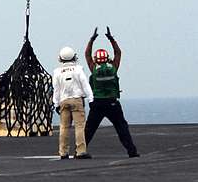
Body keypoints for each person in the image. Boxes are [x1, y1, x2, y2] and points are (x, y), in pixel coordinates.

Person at [84, 26, 139, 158]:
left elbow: (87, 54)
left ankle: (79, 150)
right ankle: (132, 151)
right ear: (107, 58)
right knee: (122, 128)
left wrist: (92, 39)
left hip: (97, 103)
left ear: (96, 59)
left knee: (89, 130)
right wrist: (111, 38)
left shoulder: (94, 69)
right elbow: (118, 53)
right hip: (112, 103)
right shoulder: (113, 68)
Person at [52, 45, 93, 160]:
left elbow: (56, 89)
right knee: (79, 126)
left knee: (64, 127)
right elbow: (85, 84)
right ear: (74, 57)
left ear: (60, 58)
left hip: (63, 101)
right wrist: (91, 98)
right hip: (77, 100)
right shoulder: (78, 69)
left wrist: (56, 103)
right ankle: (81, 151)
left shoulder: (57, 72)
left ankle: (63, 152)